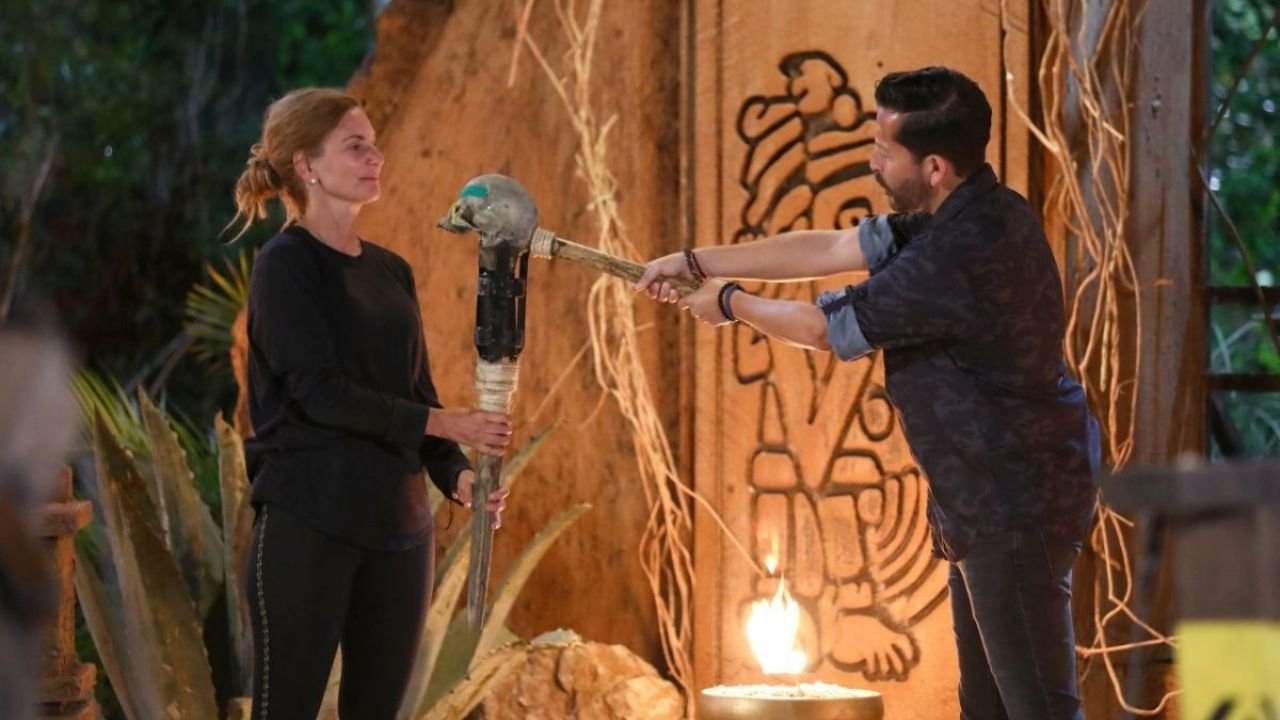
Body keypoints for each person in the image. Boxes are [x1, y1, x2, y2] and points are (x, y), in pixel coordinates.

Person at [636, 67, 1099, 720]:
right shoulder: (968, 212)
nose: (873, 163)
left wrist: (731, 303)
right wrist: (696, 262)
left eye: (885, 152)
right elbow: (829, 247)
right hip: (983, 502)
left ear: (934, 167)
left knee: (1039, 712)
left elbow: (822, 329)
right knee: (989, 711)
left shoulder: (957, 253)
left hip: (1014, 502)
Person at [229, 87, 513, 720]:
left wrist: (458, 476)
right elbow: (318, 392)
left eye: (374, 145)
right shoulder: (284, 265)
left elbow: (415, 394)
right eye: (356, 146)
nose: (375, 157)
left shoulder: (391, 271)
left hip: (401, 536)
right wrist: (446, 422)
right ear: (306, 164)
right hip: (310, 526)